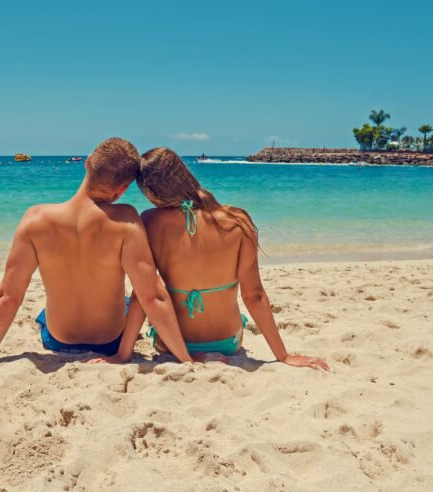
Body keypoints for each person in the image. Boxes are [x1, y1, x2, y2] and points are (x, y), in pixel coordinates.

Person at [0, 139, 193, 369]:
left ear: (87, 162)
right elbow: (152, 296)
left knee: (44, 314)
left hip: (58, 342)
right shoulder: (126, 220)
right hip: (111, 342)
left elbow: (8, 296)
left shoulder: (35, 220)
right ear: (122, 190)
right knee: (130, 302)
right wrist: (187, 361)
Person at [95, 147, 328, 370]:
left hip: (172, 344)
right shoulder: (237, 221)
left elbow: (145, 295)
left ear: (152, 191)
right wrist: (283, 355)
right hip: (228, 342)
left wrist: (123, 355)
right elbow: (254, 295)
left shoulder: (150, 221)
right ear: (183, 175)